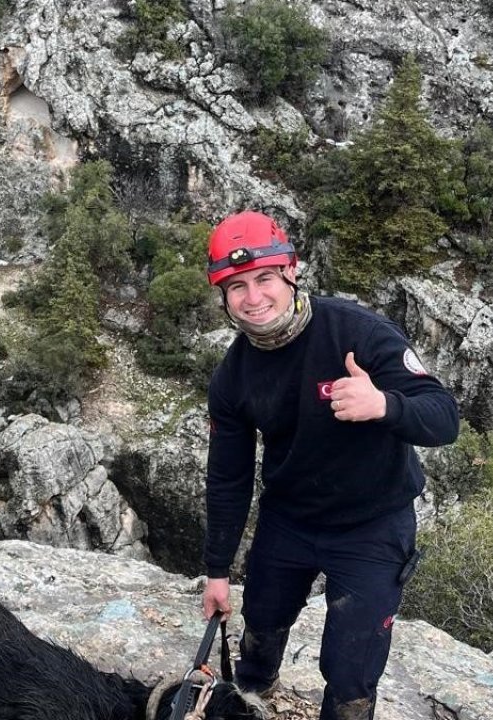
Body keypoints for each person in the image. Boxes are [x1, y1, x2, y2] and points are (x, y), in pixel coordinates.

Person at [198, 211, 459, 720]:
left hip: (372, 525)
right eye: (237, 287)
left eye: (265, 279)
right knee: (261, 631)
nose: (253, 298)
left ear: (292, 271)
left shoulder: (357, 333)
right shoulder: (233, 377)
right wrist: (216, 571)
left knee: (350, 670)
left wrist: (384, 404)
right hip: (289, 518)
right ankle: (251, 702)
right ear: (223, 297)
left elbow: (444, 417)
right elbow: (228, 476)